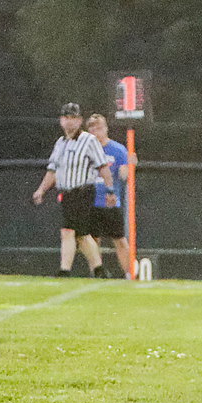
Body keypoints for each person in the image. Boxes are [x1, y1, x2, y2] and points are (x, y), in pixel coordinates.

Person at [34, 103, 113, 278]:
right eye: (66, 117)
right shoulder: (60, 143)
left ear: (79, 121)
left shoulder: (88, 140)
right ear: (61, 120)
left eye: (73, 118)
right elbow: (52, 170)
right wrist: (41, 190)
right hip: (67, 194)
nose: (69, 121)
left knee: (68, 231)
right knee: (81, 235)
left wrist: (110, 190)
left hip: (82, 191)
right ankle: (99, 269)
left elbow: (102, 166)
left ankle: (65, 271)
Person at [86, 113, 134, 278]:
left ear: (106, 129)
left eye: (99, 128)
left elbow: (123, 175)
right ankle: (96, 273)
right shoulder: (86, 149)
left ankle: (129, 273)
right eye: (92, 128)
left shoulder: (117, 150)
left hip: (111, 202)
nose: (96, 132)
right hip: (90, 200)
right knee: (92, 239)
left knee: (119, 239)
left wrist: (129, 165)